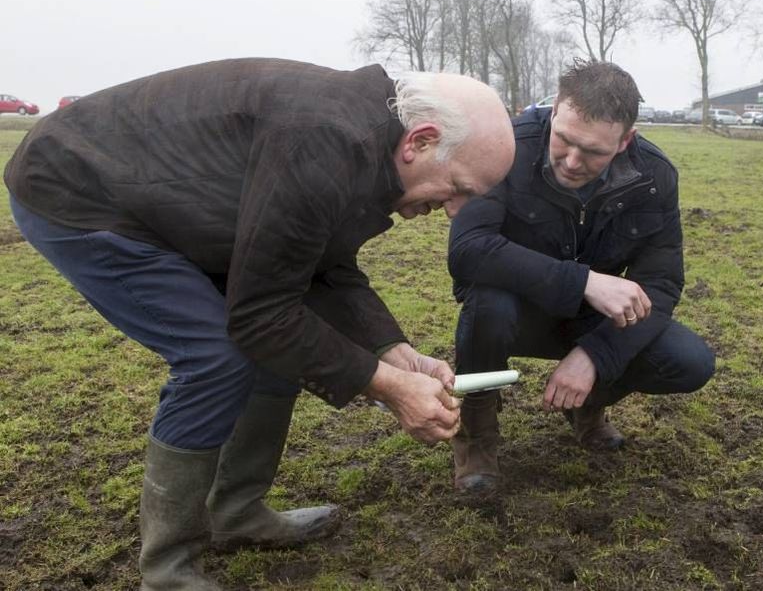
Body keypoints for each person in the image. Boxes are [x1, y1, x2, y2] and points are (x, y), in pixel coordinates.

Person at [4, 58, 514, 589]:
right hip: (79, 186)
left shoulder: (368, 145)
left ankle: (237, 512)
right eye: (459, 187)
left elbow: (319, 263)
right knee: (214, 357)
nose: (456, 211)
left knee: (280, 346)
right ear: (422, 141)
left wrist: (393, 351)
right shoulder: (325, 141)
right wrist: (389, 387)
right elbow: (260, 315)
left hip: (170, 200)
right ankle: (167, 569)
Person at [447, 60, 716, 494]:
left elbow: (661, 284)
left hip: (591, 318)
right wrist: (586, 281)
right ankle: (477, 435)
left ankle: (587, 404)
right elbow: (467, 250)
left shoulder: (654, 177)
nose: (571, 161)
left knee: (689, 361)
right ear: (554, 111)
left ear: (625, 140)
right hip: (513, 312)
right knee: (488, 303)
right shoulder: (506, 148)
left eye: (592, 151)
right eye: (565, 140)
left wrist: (595, 355)